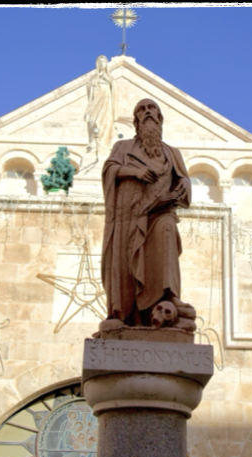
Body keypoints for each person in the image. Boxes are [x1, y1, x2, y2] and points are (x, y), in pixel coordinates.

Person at [100, 98, 195, 329]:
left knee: (167, 228)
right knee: (125, 259)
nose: (147, 113)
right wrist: (136, 172)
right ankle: (124, 313)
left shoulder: (172, 154)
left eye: (152, 109)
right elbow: (110, 169)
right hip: (129, 218)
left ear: (160, 119)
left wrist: (183, 185)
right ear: (136, 121)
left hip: (160, 213)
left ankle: (168, 296)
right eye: (141, 110)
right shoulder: (123, 148)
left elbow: (183, 178)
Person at [84, 56, 114, 153]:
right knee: (94, 121)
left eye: (104, 62)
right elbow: (90, 91)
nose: (102, 64)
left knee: (104, 121)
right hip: (95, 102)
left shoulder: (109, 77)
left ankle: (103, 143)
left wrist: (108, 81)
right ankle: (93, 142)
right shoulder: (94, 77)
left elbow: (114, 88)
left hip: (105, 102)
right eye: (100, 62)